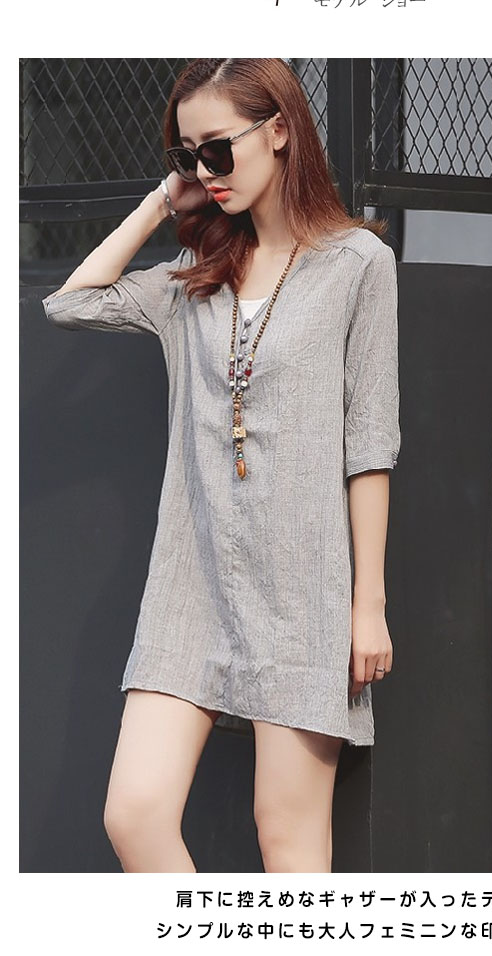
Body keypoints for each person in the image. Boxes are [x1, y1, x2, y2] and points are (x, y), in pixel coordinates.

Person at [41, 58, 401, 873]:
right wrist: (160, 200)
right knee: (133, 814)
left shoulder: (357, 265)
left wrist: (368, 605)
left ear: (279, 131)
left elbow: (370, 445)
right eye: (187, 155)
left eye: (216, 150)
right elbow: (71, 303)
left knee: (287, 837)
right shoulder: (190, 284)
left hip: (304, 592)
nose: (205, 171)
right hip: (191, 585)